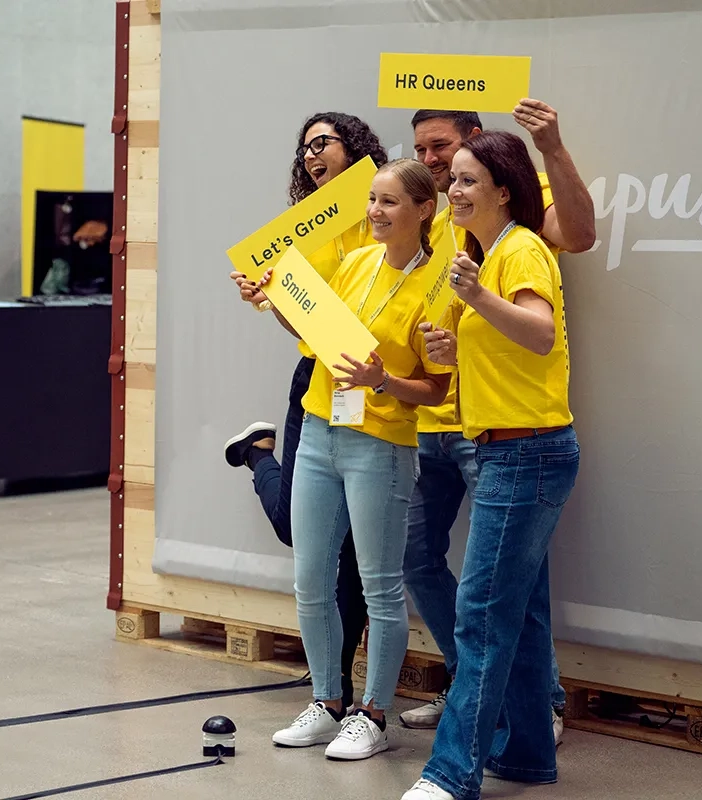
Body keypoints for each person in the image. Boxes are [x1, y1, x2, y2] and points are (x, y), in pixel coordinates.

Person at [244, 159, 453, 761]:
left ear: (423, 211)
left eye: (389, 202)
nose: (376, 212)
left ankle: (374, 714)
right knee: (310, 579)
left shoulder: (435, 286)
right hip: (318, 431)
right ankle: (328, 700)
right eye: (372, 200)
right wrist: (268, 300)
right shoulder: (358, 262)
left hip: (381, 445)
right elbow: (308, 327)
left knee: (379, 585)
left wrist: (384, 379)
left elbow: (437, 390)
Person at [398, 100, 594, 738]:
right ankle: (511, 717)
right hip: (451, 419)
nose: (436, 169)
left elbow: (579, 238)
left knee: (500, 597)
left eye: (447, 156)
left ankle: (480, 743)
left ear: (481, 152)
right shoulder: (457, 226)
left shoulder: (520, 235)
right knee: (431, 564)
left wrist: (554, 147)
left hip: (513, 437)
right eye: (425, 155)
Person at [225, 112, 389, 711]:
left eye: (322, 142)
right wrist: (269, 298)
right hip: (317, 381)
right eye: (304, 149)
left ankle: (339, 691)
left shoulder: (383, 209)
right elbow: (302, 320)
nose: (311, 155)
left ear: (355, 150)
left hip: (375, 383)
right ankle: (258, 455)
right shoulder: (302, 235)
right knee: (300, 529)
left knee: (355, 549)